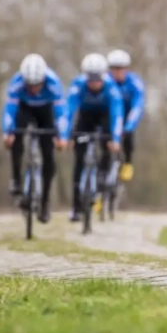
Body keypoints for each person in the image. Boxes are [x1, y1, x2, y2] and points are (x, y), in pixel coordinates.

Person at [2, 53, 68, 224]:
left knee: (48, 155)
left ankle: (45, 201)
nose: (33, 89)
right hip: (24, 109)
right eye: (29, 85)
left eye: (37, 84)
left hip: (45, 112)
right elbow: (10, 110)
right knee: (15, 139)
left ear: (43, 79)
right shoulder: (16, 83)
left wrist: (62, 136)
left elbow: (60, 113)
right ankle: (16, 179)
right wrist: (7, 132)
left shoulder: (53, 83)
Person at [63, 53, 124, 222]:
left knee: (107, 146)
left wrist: (116, 139)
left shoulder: (112, 88)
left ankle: (102, 177)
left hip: (105, 119)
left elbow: (117, 115)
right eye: (91, 78)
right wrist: (66, 135)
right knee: (79, 159)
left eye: (98, 78)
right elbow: (68, 111)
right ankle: (76, 208)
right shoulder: (77, 85)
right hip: (85, 119)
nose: (94, 82)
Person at [106, 49, 146, 181]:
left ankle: (127, 162)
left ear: (126, 69)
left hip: (128, 113)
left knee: (128, 135)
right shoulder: (105, 81)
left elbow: (137, 107)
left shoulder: (135, 83)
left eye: (121, 68)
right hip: (108, 114)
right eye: (114, 68)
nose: (117, 72)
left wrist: (128, 127)